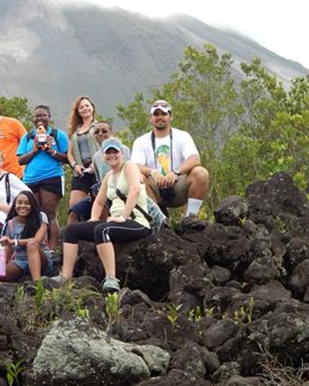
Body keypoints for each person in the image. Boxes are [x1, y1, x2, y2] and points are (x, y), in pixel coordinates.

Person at [53, 138, 151, 292]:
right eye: (108, 152)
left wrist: (123, 217)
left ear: (122, 153)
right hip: (117, 222)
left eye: (115, 152)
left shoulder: (130, 166)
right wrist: (94, 218)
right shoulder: (109, 177)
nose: (112, 155)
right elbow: (99, 201)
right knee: (72, 230)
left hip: (136, 222)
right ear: (103, 156)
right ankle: (66, 276)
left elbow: (135, 190)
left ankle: (111, 279)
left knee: (102, 230)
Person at [130, 100, 209, 230]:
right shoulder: (141, 141)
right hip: (155, 189)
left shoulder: (182, 136)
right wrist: (153, 172)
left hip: (178, 185)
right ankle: (159, 220)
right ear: (151, 118)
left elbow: (195, 159)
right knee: (136, 177)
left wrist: (176, 172)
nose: (160, 117)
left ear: (170, 116)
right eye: (156, 114)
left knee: (200, 173)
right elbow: (134, 165)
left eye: (163, 114)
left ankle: (190, 219)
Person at [0, 190, 54, 300]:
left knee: (31, 244)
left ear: (32, 205)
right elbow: (6, 248)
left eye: (27, 203)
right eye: (20, 203)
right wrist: (0, 267)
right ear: (15, 205)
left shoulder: (41, 217)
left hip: (40, 259)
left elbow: (37, 240)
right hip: (20, 262)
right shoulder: (10, 223)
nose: (23, 206)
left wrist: (15, 242)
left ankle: (37, 286)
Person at [17, 105, 69, 249]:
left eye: (43, 115)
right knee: (33, 214)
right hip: (30, 179)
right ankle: (36, 247)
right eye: (36, 116)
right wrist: (35, 150)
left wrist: (49, 150)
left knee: (49, 214)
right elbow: (20, 160)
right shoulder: (28, 137)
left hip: (51, 177)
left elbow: (68, 158)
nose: (39, 119)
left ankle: (52, 250)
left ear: (49, 117)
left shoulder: (58, 135)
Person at [68, 121, 131, 223]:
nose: (100, 134)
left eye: (104, 131)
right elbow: (99, 180)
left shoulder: (124, 150)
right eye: (97, 132)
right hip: (103, 190)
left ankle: (105, 226)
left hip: (121, 191)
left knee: (97, 191)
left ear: (111, 132)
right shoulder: (96, 157)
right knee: (75, 212)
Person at [66, 96, 100, 215]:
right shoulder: (74, 131)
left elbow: (105, 147)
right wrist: (75, 165)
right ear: (77, 111)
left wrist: (95, 163)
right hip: (80, 171)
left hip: (97, 171)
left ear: (92, 108)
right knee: (74, 207)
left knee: (98, 204)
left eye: (87, 106)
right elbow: (69, 153)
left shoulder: (99, 127)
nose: (85, 108)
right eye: (81, 107)